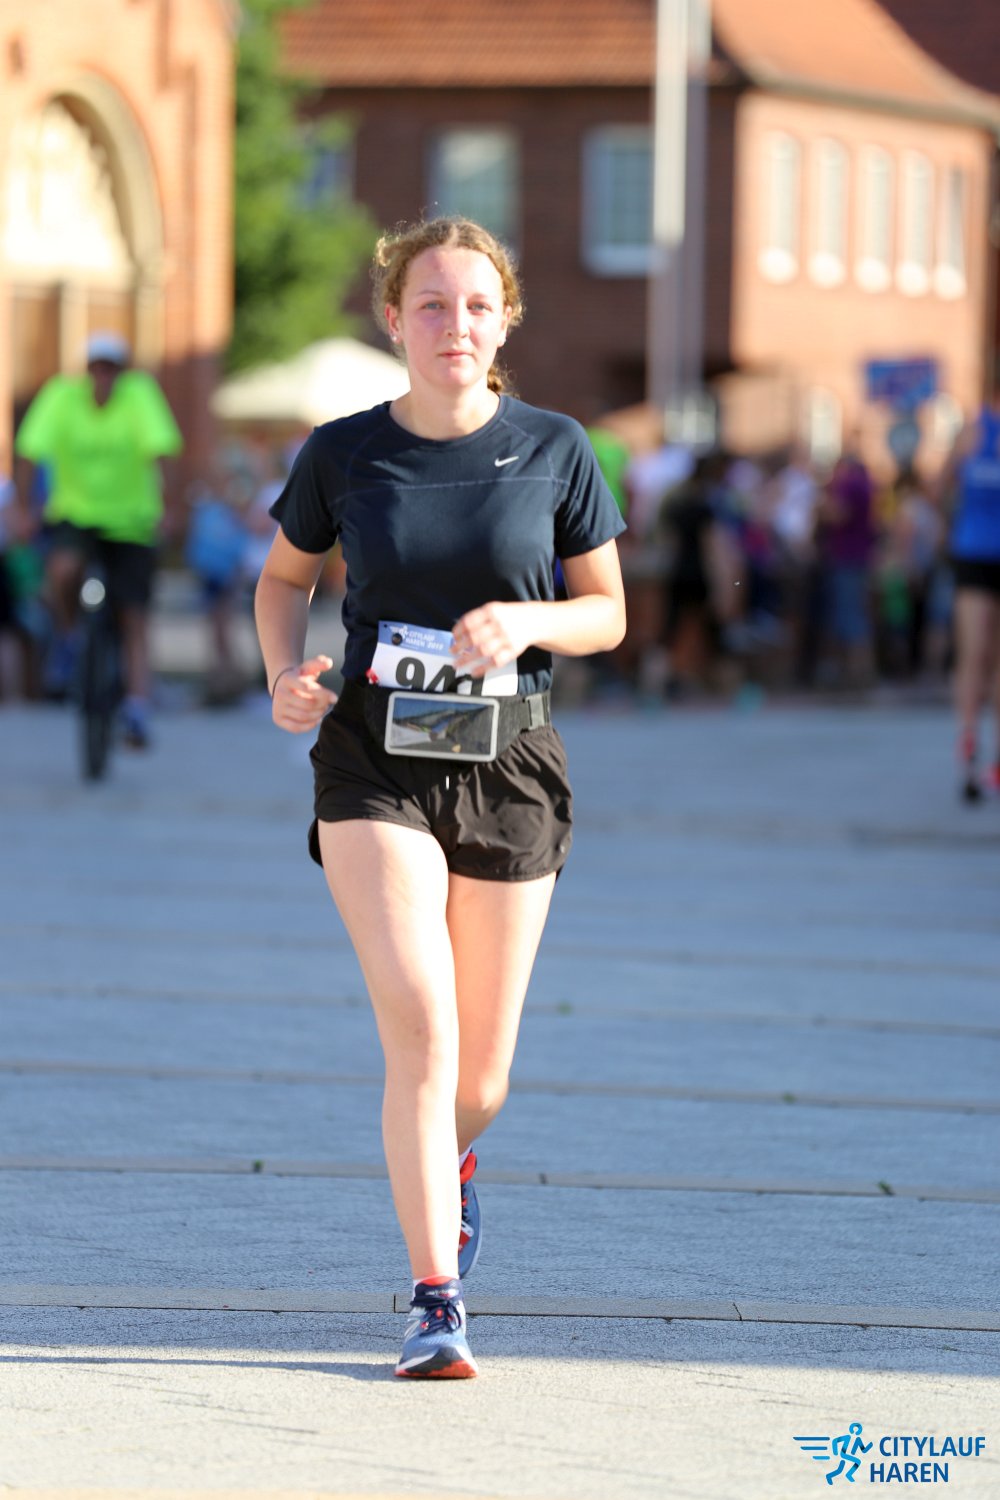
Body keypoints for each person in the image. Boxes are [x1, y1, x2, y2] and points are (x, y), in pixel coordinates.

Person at [254, 216, 626, 1379]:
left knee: (479, 1078)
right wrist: (283, 672)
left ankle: (448, 1162)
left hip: (512, 768)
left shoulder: (556, 449)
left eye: (474, 305)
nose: (452, 324)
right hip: (373, 760)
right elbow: (283, 578)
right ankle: (434, 1300)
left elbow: (607, 613)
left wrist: (526, 620)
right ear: (392, 320)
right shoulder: (343, 452)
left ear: (503, 320)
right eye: (429, 304)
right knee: (419, 1025)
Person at [14, 332, 183, 745]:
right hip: (76, 513)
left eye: (112, 369)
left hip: (132, 521)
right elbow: (29, 452)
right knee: (63, 569)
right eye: (97, 368)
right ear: (86, 370)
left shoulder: (140, 395)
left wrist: (171, 506)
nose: (104, 377)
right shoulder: (61, 396)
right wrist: (21, 509)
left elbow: (163, 451)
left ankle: (137, 708)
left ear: (122, 372)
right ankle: (70, 639)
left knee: (133, 615)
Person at [939, 399, 1000, 800]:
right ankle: (969, 740)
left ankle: (995, 757)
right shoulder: (974, 430)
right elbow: (939, 488)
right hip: (974, 556)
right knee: (974, 652)